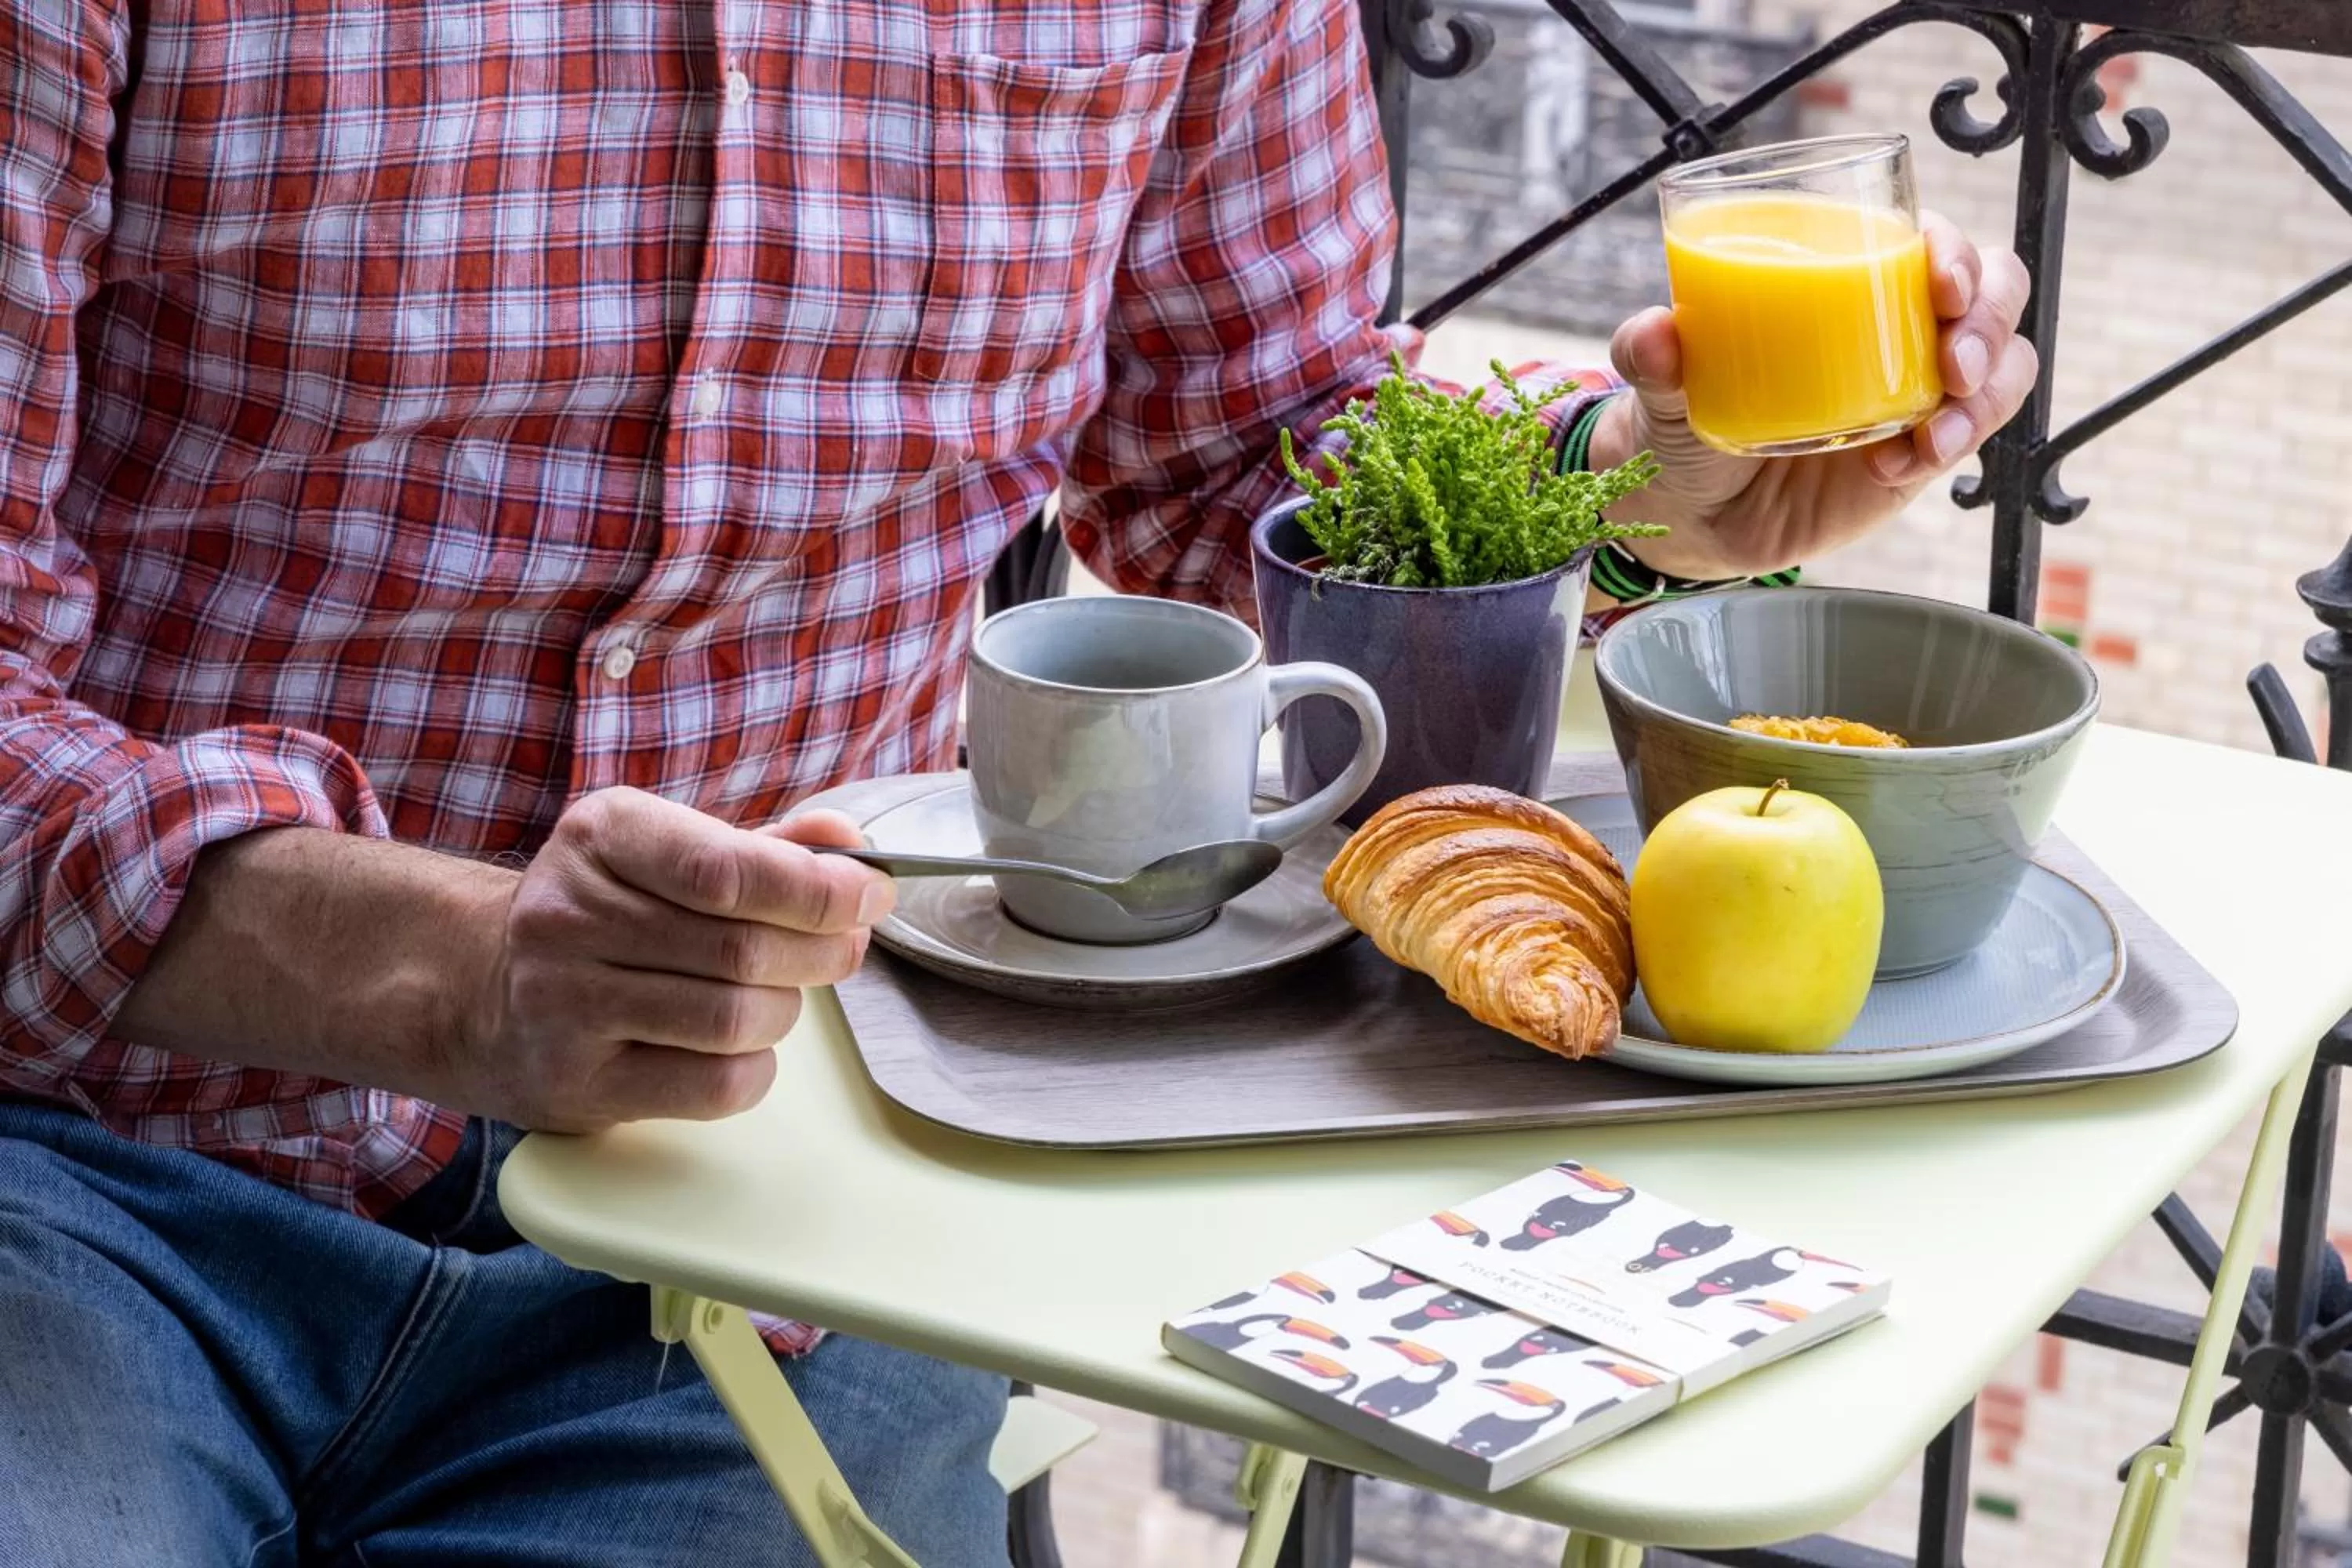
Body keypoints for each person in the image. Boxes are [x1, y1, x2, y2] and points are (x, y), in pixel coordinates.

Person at [0, 0, 2034, 1562]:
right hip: (83, 1168)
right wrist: (430, 973)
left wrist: (1626, 495)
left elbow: (1249, 461)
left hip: (795, 1225)